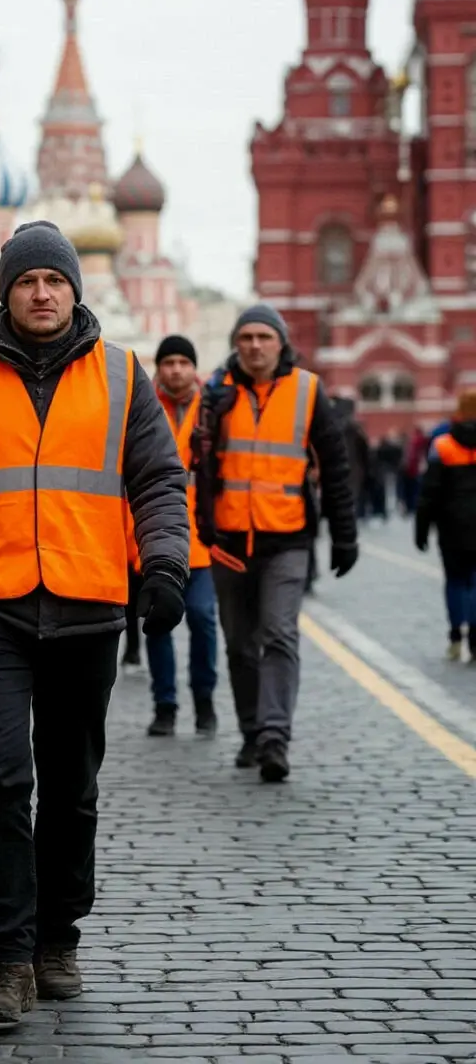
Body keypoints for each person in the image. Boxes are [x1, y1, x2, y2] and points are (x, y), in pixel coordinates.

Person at [0, 220, 189, 1025]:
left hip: (90, 606)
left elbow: (160, 479)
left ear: (74, 288)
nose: (42, 292)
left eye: (54, 280)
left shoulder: (125, 377)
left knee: (71, 787)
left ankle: (60, 935)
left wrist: (163, 565)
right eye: (27, 281)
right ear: (6, 290)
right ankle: (9, 958)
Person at [192, 304, 358, 782]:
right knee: (241, 644)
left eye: (264, 337)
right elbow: (197, 464)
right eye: (245, 337)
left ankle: (274, 738)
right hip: (227, 542)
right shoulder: (216, 393)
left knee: (280, 634)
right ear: (235, 344)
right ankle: (250, 731)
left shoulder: (307, 391)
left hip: (287, 539)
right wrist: (202, 525)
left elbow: (337, 465)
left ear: (281, 343)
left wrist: (343, 536)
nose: (255, 346)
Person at [144, 335, 218, 738]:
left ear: (193, 367)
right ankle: (165, 705)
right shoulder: (144, 404)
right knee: (158, 625)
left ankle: (204, 700)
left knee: (204, 618)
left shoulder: (214, 408)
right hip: (153, 537)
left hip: (201, 540)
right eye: (168, 362)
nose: (175, 369)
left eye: (182, 362)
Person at [416, 388, 476, 662]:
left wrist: (422, 527)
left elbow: (429, 492)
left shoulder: (442, 445)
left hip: (451, 525)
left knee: (455, 580)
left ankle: (454, 635)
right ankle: (475, 638)